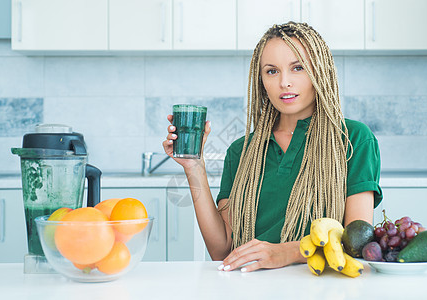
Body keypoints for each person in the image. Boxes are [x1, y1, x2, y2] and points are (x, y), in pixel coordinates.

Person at [162, 22, 382, 273]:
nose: (284, 82)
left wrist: (285, 252)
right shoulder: (241, 151)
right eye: (271, 71)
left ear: (319, 71)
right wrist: (194, 166)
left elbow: (357, 241)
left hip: (321, 285)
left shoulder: (353, 140)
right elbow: (221, 250)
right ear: (261, 81)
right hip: (248, 286)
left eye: (297, 68)